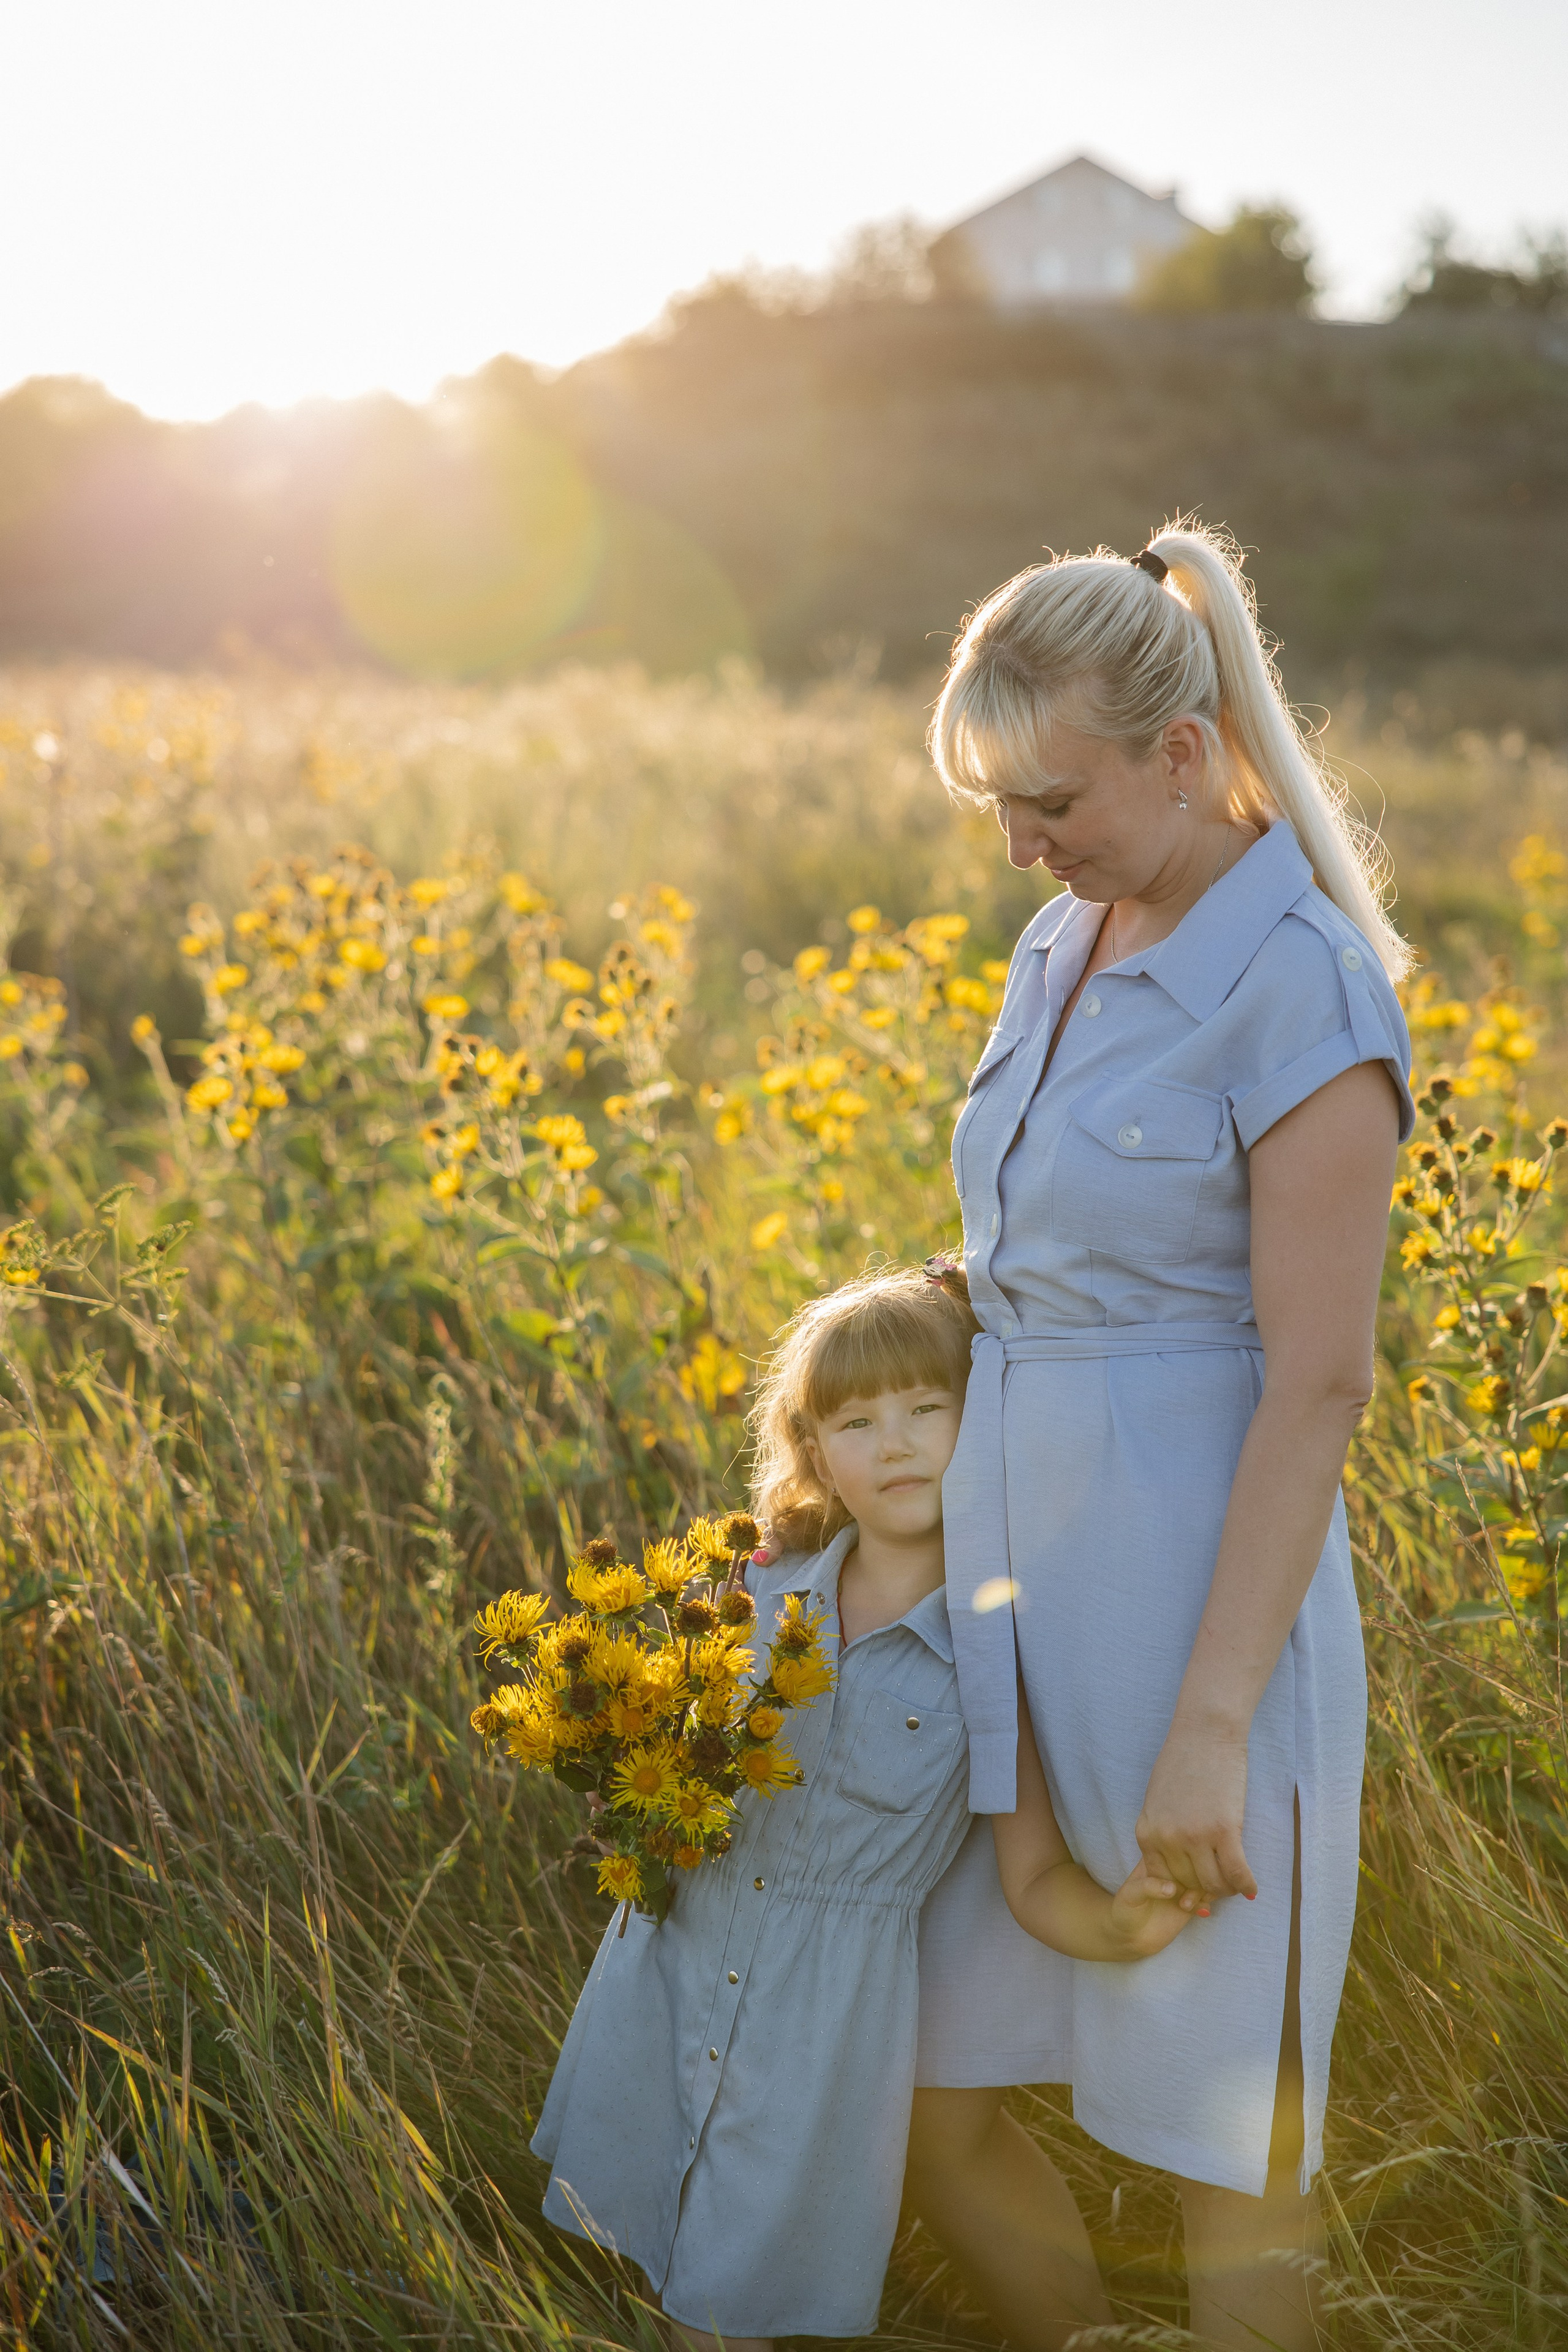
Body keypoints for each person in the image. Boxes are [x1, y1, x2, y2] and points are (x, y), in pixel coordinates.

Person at [902, 524, 1414, 2352]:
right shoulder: (1061, 938)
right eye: (1000, 809)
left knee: (1227, 2139)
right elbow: (1041, 1252)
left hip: (1201, 1604)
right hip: (1003, 1582)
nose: (1021, 847)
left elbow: (1319, 1382)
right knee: (924, 2073)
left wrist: (1213, 1731)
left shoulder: (1308, 994)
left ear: (1183, 755)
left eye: (1052, 799)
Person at [530, 1265, 1199, 2351]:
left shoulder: (994, 1643)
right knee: (650, 2252)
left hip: (823, 2025)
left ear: (984, 1423)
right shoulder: (756, 1590)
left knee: (734, 2303)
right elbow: (664, 1749)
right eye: (859, 1420)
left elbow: (1029, 1873)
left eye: (929, 1411)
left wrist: (1117, 1924)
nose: (896, 1443)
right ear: (816, 1452)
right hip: (675, 1967)